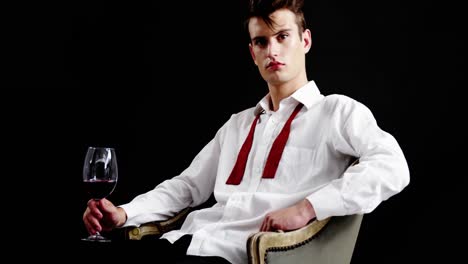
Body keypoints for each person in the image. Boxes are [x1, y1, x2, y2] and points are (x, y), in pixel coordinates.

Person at [83, 0, 410, 263]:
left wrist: (307, 207)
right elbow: (186, 187)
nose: (273, 51)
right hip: (185, 241)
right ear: (253, 52)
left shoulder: (337, 111)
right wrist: (125, 213)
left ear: (305, 41)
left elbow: (392, 167)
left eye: (283, 36)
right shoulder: (237, 124)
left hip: (240, 254)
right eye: (261, 41)